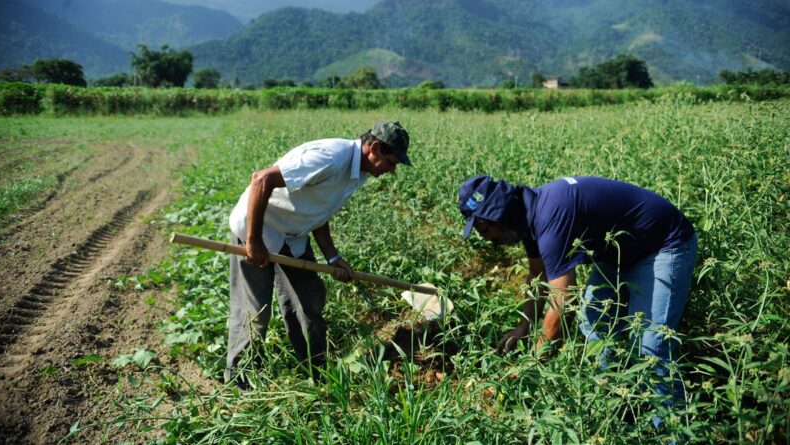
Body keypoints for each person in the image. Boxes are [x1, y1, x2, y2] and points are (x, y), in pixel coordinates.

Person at [458, 175, 697, 421]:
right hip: (617, 253)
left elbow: (564, 303)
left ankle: (672, 430)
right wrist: (524, 325)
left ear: (498, 213)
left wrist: (530, 366)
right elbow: (538, 274)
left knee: (651, 345)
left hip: (663, 244)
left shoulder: (550, 217)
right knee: (594, 320)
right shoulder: (526, 217)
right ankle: (617, 404)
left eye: (482, 228)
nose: (484, 237)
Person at [226, 121, 411, 384]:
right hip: (258, 228)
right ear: (375, 148)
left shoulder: (358, 174)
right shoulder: (331, 157)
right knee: (255, 312)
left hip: (293, 235)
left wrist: (333, 257)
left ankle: (315, 372)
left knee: (309, 301)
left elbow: (319, 211)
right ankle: (238, 381)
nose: (392, 170)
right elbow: (261, 179)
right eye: (391, 162)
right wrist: (253, 241)